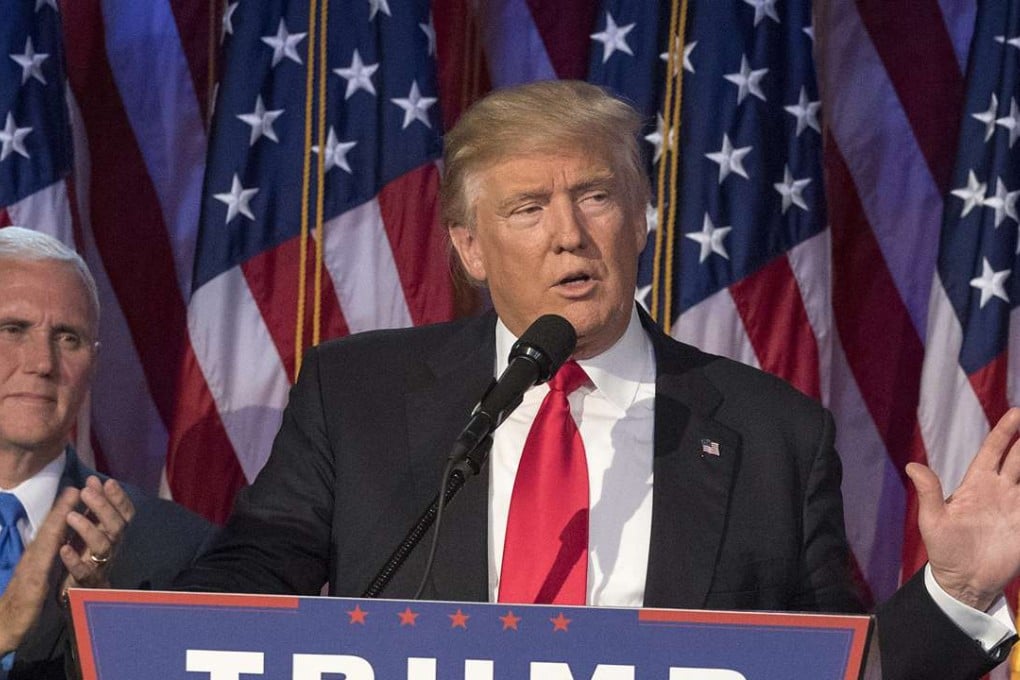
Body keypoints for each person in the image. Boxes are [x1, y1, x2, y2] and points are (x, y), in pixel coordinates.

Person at [174, 81, 1020, 679]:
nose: (569, 236)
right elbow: (245, 583)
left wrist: (959, 591)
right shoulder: (355, 393)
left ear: (643, 216)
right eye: (527, 209)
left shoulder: (774, 432)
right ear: (469, 248)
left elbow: (837, 668)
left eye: (596, 197)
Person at [0, 226, 214, 680]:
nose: (42, 363)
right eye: (13, 329)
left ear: (92, 364)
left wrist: (102, 628)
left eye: (68, 338)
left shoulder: (174, 549)